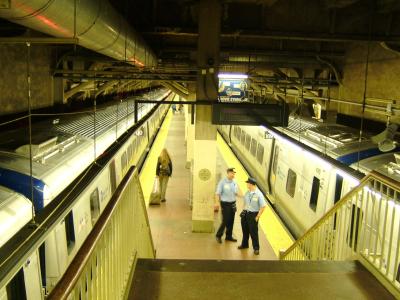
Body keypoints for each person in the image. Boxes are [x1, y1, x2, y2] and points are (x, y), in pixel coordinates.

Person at [238, 177, 266, 255]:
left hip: (253, 215)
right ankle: (244, 244)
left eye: (248, 183)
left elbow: (263, 206)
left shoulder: (258, 194)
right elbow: (245, 203)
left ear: (251, 184)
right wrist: (243, 210)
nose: (247, 184)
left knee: (253, 232)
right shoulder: (247, 192)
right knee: (245, 230)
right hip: (245, 213)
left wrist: (258, 216)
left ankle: (256, 248)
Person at [215, 168, 239, 243]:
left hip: (233, 203)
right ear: (228, 173)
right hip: (225, 204)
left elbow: (236, 192)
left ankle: (228, 236)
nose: (233, 175)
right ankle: (218, 235)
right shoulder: (222, 182)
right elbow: (217, 193)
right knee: (225, 220)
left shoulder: (234, 182)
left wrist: (244, 196)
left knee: (231, 220)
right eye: (232, 173)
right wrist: (217, 203)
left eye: (234, 173)